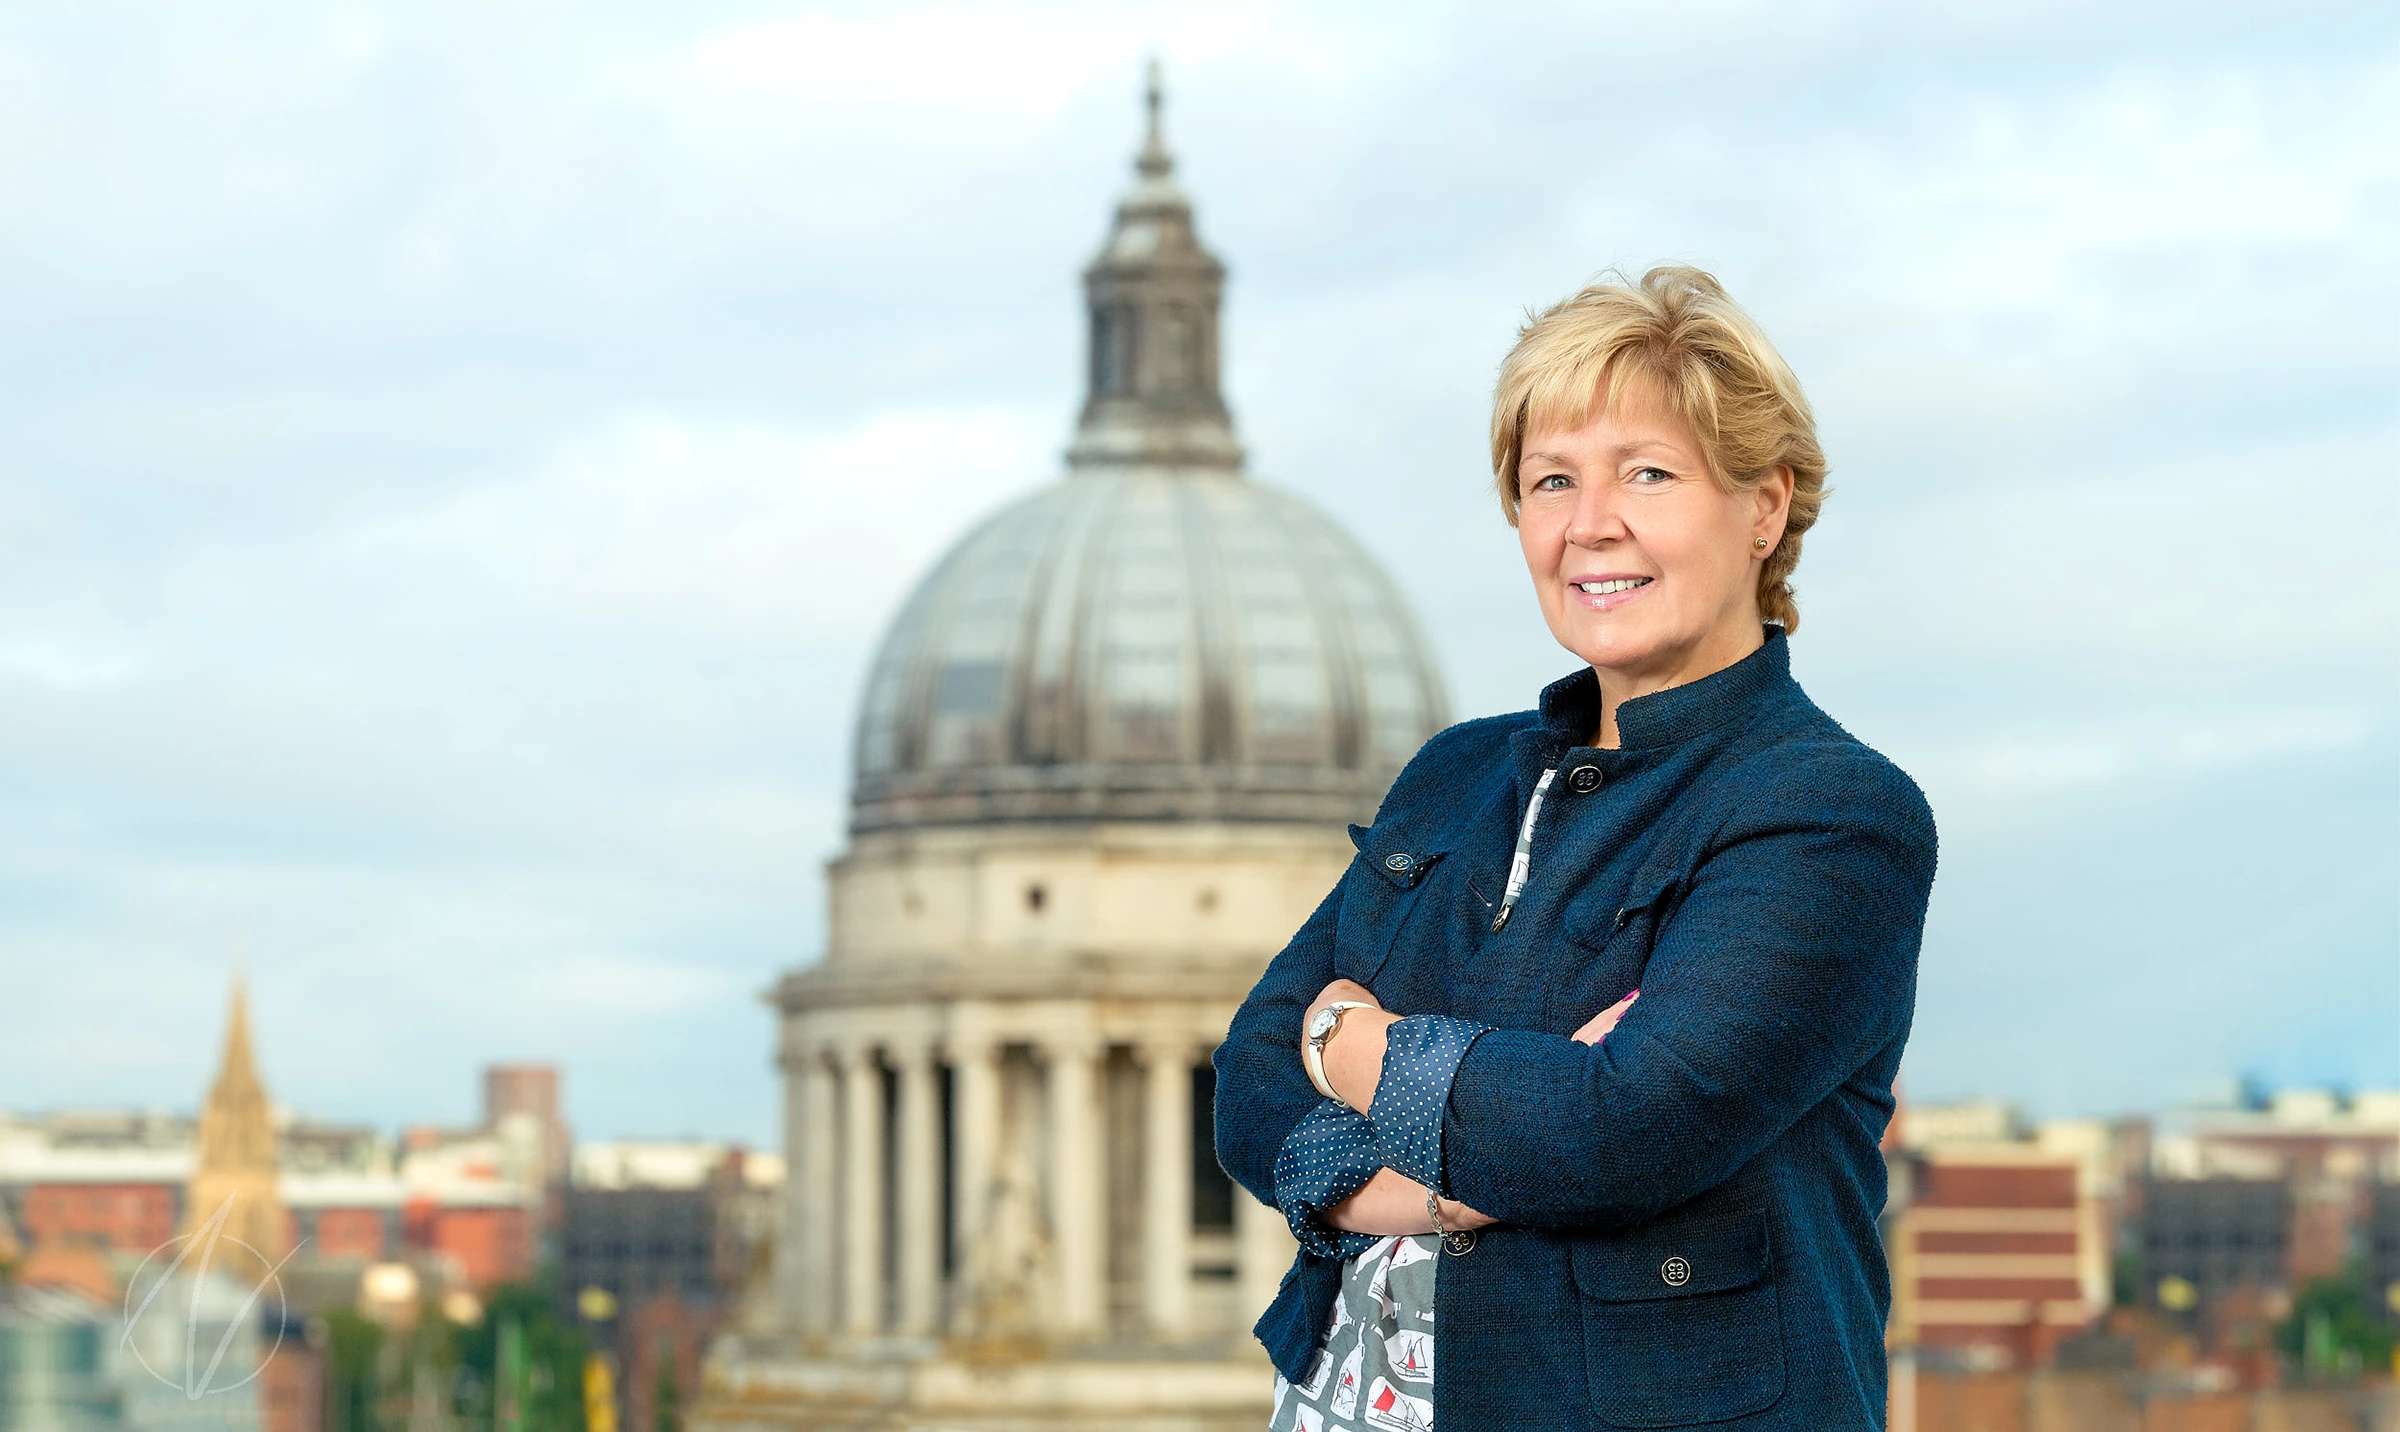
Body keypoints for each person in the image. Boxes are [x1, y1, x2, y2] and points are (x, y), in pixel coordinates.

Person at [1213, 265, 1938, 1431]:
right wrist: (1421, 1178)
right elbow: (1248, 1073)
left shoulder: (1831, 813)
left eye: (1648, 473)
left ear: (1765, 506)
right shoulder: (1453, 774)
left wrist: (1345, 1040)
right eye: (1551, 480)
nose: (1591, 522)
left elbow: (1621, 1129)